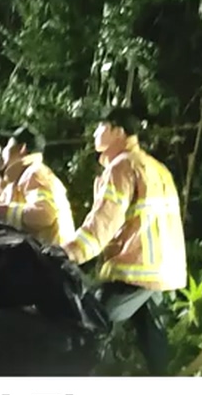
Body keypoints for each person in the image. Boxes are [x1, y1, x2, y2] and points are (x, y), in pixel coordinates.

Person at [61, 107, 187, 375]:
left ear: (117, 132)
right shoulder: (156, 167)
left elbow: (104, 220)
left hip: (134, 270)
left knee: (90, 323)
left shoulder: (122, 167)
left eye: (100, 126)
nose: (94, 133)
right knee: (155, 348)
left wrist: (69, 253)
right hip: (161, 271)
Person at [0, 125, 76, 247]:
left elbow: (45, 214)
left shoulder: (34, 173)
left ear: (22, 149)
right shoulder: (18, 178)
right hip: (43, 255)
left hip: (51, 256)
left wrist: (2, 210)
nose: (0, 153)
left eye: (6, 146)